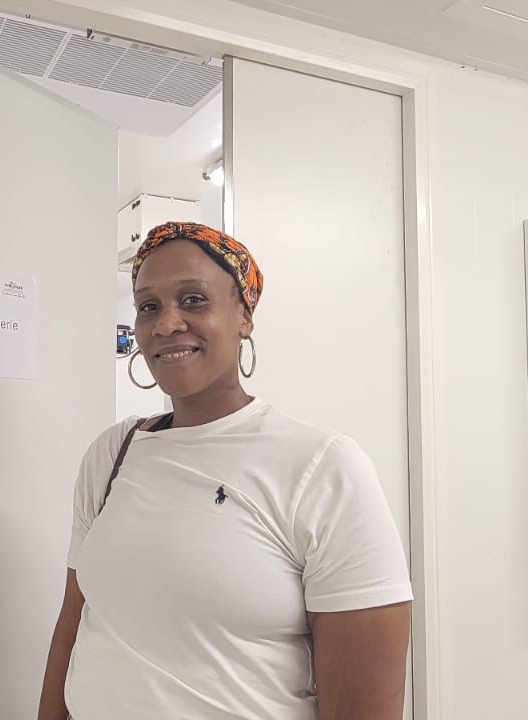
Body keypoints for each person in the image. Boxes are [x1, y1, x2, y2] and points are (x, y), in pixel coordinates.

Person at [38, 222, 413, 720]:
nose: (166, 323)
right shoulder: (113, 454)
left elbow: (364, 706)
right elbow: (73, 628)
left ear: (244, 317)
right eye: (148, 306)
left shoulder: (323, 467)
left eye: (193, 300)